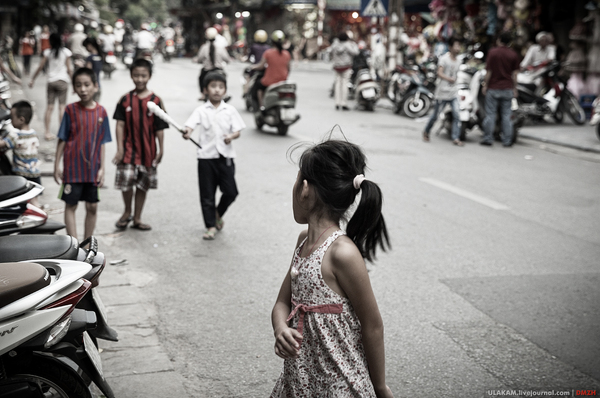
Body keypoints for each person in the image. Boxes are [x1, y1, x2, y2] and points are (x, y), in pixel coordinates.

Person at [270, 139, 393, 398]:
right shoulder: (303, 241)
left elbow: (373, 326)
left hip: (339, 386)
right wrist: (281, 328)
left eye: (296, 180)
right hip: (300, 383)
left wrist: (380, 387)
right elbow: (282, 302)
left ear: (305, 189)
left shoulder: (342, 253)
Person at [182, 72, 245, 240]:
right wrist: (187, 132)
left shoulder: (230, 110)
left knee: (231, 192)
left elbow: (237, 130)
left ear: (225, 90)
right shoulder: (201, 110)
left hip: (226, 157)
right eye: (213, 86)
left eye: (220, 87)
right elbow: (190, 126)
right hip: (206, 158)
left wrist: (231, 137)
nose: (217, 90)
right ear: (205, 90)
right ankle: (210, 226)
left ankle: (217, 213)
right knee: (207, 194)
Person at [54, 67, 111, 239]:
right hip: (73, 170)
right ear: (74, 87)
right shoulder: (70, 110)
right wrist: (57, 165)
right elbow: (62, 139)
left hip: (92, 170)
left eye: (87, 85)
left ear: (95, 86)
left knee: (92, 207)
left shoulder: (101, 112)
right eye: (78, 85)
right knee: (71, 205)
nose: (83, 89)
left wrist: (102, 168)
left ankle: (87, 244)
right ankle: (73, 245)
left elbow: (102, 142)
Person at [112, 58, 168, 231]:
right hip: (128, 150)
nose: (140, 79)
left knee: (143, 185)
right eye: (136, 75)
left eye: (143, 75)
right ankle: (127, 211)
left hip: (148, 151)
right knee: (126, 183)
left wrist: (161, 149)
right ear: (131, 75)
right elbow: (119, 125)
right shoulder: (125, 100)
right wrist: (120, 149)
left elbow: (160, 127)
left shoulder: (156, 101)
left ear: (149, 76)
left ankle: (137, 218)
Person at [29, 33, 73, 141]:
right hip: (63, 81)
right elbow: (69, 69)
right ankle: (62, 133)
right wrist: (74, 84)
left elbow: (40, 67)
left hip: (51, 81)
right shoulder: (66, 52)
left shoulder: (48, 52)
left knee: (49, 108)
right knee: (62, 108)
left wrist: (33, 79)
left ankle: (47, 132)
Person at [423, 37, 464, 146]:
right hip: (442, 92)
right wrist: (448, 79)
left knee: (457, 114)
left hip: (453, 92)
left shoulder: (459, 60)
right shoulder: (444, 59)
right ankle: (426, 131)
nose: (458, 48)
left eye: (459, 46)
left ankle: (455, 137)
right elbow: (439, 73)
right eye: (456, 45)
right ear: (450, 47)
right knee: (435, 115)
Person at [481, 32, 520, 147]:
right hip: (507, 88)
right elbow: (515, 75)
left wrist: (485, 85)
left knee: (490, 114)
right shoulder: (513, 54)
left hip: (493, 88)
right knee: (506, 116)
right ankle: (507, 140)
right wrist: (515, 88)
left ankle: (488, 138)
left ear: (499, 40)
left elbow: (489, 72)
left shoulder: (492, 52)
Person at [0, 100, 41, 206]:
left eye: (12, 118)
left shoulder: (15, 135)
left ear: (21, 120)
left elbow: (2, 144)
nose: (10, 120)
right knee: (33, 199)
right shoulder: (33, 134)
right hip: (35, 172)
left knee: (22, 200)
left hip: (22, 173)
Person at [252, 30, 291, 109]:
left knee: (258, 86)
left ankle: (261, 106)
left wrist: (253, 67)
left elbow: (261, 66)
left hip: (269, 81)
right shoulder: (286, 54)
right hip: (283, 81)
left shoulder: (268, 53)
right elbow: (289, 69)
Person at [197, 27, 231, 100]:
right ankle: (226, 94)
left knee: (200, 78)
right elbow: (227, 59)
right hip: (219, 69)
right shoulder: (220, 47)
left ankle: (203, 94)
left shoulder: (204, 47)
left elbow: (199, 59)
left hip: (207, 70)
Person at [330, 32, 359, 111]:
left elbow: (330, 52)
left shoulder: (335, 45)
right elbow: (355, 53)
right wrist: (353, 45)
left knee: (337, 84)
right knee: (345, 84)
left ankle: (337, 102)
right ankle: (343, 103)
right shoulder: (348, 45)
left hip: (337, 67)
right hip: (346, 67)